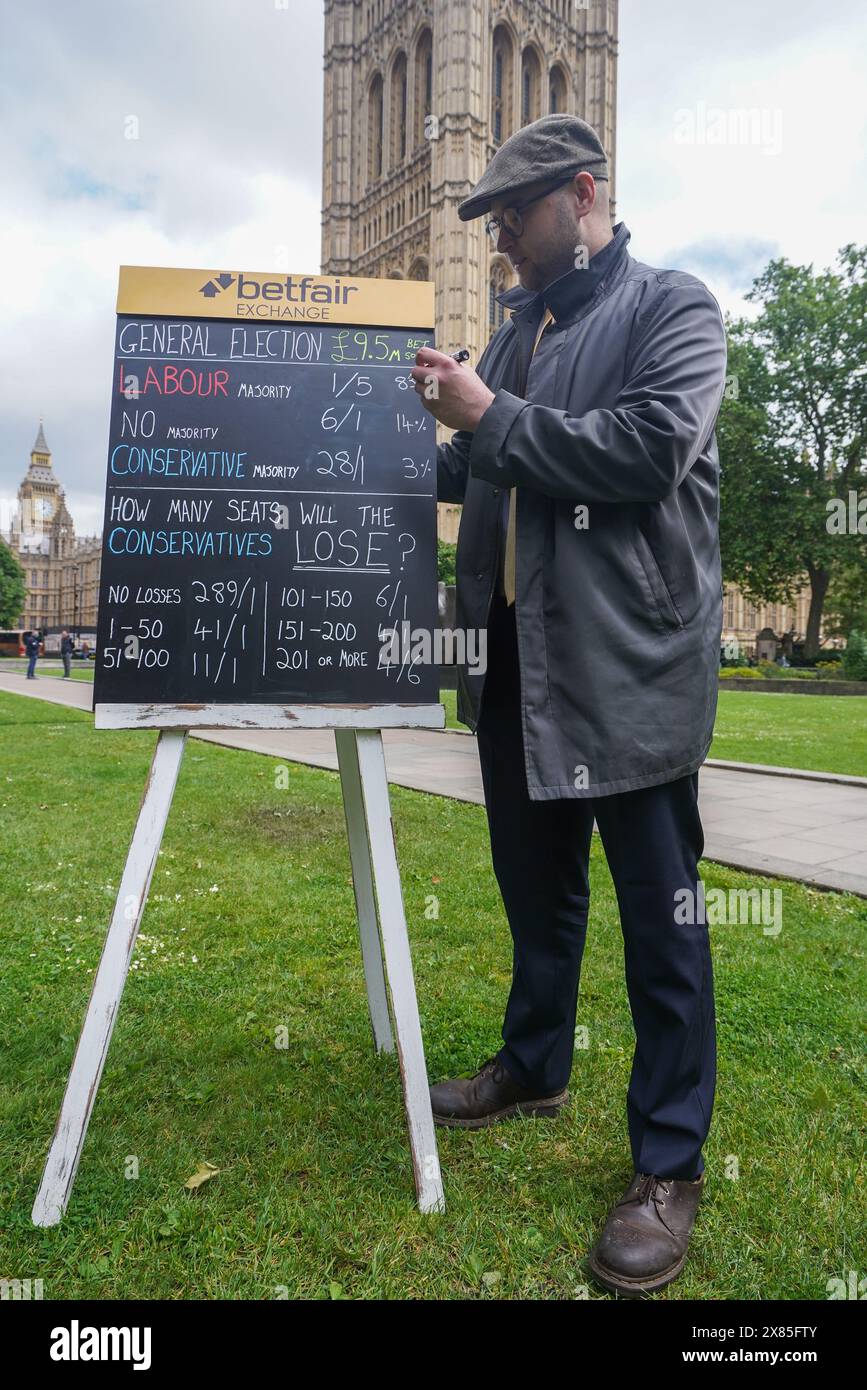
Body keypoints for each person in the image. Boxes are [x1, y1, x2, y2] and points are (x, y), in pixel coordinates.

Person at [411, 114, 727, 1296]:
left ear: (583, 195)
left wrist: (489, 418)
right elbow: (475, 465)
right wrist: (419, 417)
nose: (499, 235)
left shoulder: (673, 309)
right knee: (536, 895)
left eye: (514, 213)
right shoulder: (515, 327)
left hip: (629, 668)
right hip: (514, 661)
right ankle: (534, 1065)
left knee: (664, 928)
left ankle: (668, 1164)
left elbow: (643, 452)